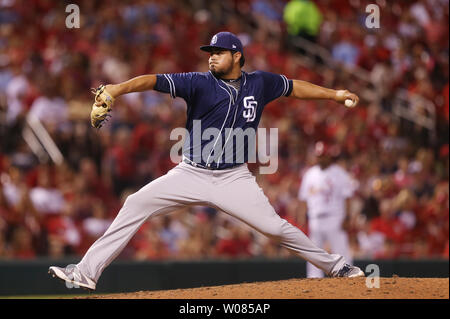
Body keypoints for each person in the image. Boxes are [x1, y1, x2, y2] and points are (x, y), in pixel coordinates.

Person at [49, 32, 363, 291]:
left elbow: (294, 87)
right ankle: (86, 272)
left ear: (237, 56)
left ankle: (338, 266)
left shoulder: (260, 83)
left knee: (276, 229)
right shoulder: (198, 82)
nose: (211, 56)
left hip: (234, 179)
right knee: (135, 203)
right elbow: (153, 80)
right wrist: (117, 89)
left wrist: (334, 95)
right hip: (191, 173)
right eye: (210, 52)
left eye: (219, 52)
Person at [298, 141, 357, 278]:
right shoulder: (310, 174)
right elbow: (303, 199)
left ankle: (348, 277)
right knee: (313, 252)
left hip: (334, 217)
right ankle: (314, 278)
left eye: (323, 156)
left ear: (329, 156)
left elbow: (347, 197)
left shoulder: (339, 173)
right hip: (315, 218)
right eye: (319, 156)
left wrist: (347, 217)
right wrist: (302, 219)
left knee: (341, 250)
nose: (321, 158)